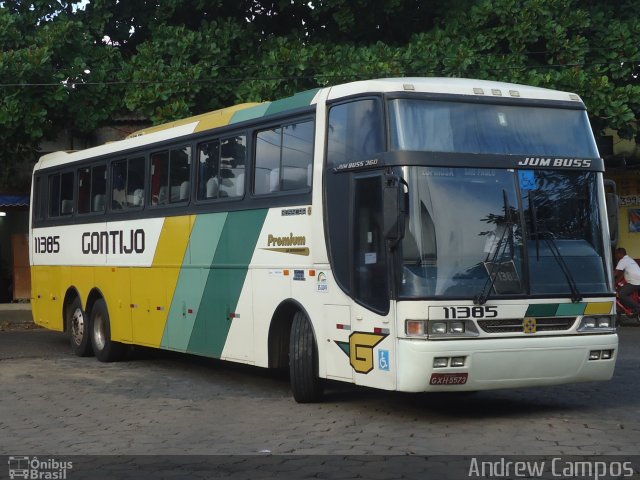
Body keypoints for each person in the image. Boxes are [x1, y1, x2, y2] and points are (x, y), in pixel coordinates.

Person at [614, 247, 640, 316]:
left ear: (620, 254)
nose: (615, 256)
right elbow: (621, 274)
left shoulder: (623, 260)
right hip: (637, 281)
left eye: (616, 254)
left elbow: (615, 273)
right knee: (621, 288)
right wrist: (615, 283)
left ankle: (637, 307)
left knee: (621, 294)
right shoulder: (629, 259)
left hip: (634, 282)